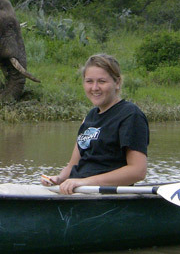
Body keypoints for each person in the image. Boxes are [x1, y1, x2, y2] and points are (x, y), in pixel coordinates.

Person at [41, 54, 149, 194]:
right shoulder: (89, 117)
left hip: (103, 198)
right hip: (79, 190)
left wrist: (83, 182)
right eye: (89, 81)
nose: (95, 87)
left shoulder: (130, 115)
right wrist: (59, 179)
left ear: (117, 82)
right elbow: (73, 165)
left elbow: (138, 171)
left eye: (102, 81)